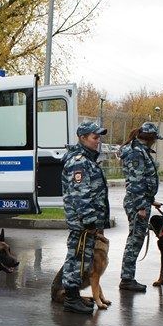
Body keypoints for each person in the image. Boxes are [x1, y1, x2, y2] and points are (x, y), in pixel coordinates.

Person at [60, 121, 110, 315]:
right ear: (82, 138)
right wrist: (90, 220)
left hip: (88, 223)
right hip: (82, 222)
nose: (97, 141)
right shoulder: (79, 161)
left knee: (82, 259)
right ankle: (71, 298)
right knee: (76, 258)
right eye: (94, 137)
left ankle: (73, 296)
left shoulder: (87, 160)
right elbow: (80, 194)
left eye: (99, 137)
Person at [118, 122, 162, 292]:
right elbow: (136, 182)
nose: (155, 142)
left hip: (142, 201)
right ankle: (127, 279)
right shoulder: (136, 152)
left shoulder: (140, 150)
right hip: (137, 203)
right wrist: (141, 206)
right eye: (155, 139)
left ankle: (128, 277)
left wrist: (150, 200)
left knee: (136, 239)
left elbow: (144, 180)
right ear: (150, 138)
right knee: (134, 240)